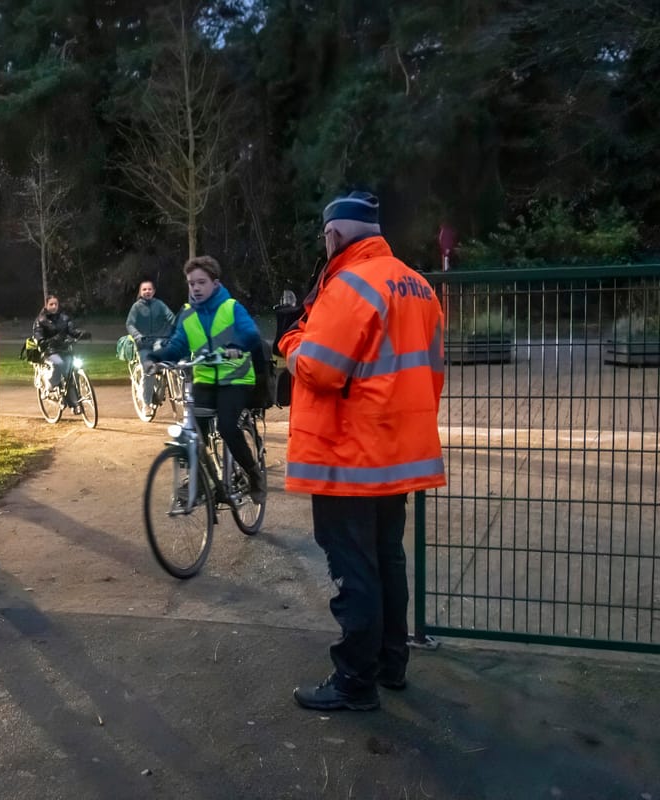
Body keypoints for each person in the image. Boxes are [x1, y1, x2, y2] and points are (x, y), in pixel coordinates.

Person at [278, 191, 445, 712]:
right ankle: (392, 664)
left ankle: (355, 680)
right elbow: (431, 374)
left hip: (348, 455)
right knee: (387, 560)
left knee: (355, 570)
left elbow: (321, 368)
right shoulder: (419, 286)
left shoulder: (349, 285)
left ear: (333, 235)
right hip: (398, 451)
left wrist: (289, 345)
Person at [145, 255, 266, 503]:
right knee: (193, 432)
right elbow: (178, 345)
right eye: (191, 283)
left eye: (201, 282)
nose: (196, 288)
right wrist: (155, 358)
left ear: (215, 283)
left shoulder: (231, 308)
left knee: (227, 426)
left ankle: (254, 475)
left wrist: (236, 345)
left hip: (236, 379)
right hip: (205, 379)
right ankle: (200, 479)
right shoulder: (188, 313)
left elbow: (251, 335)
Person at [126, 280, 176, 409]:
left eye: (149, 289)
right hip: (144, 345)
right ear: (140, 292)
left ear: (153, 291)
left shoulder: (159, 304)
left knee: (177, 362)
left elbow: (171, 317)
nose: (147, 291)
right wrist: (137, 336)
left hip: (160, 342)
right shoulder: (136, 307)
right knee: (149, 371)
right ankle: (146, 403)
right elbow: (130, 324)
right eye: (144, 289)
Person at [32, 294, 87, 405]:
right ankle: (51, 384)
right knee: (59, 363)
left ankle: (73, 402)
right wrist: (43, 341)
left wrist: (81, 333)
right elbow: (38, 334)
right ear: (46, 305)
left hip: (64, 349)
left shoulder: (64, 318)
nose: (54, 306)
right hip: (50, 351)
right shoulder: (41, 320)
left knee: (70, 372)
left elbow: (72, 330)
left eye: (56, 304)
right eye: (51, 304)